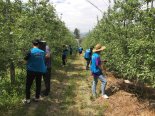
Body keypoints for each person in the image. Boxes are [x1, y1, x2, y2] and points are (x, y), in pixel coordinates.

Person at [23, 39, 46, 104]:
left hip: (31, 71)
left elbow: (25, 61)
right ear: (38, 44)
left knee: (28, 85)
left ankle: (27, 99)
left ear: (32, 44)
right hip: (39, 70)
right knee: (38, 84)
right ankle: (37, 98)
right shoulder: (42, 52)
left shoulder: (30, 51)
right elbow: (42, 60)